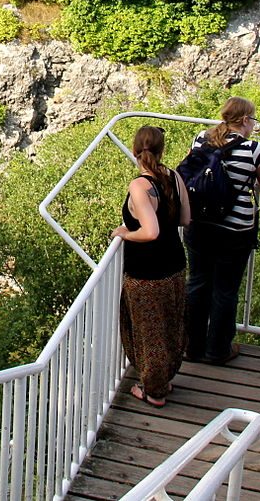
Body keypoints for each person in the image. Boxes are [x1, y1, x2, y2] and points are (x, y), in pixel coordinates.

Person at [183, 97, 260, 365]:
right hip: (235, 231)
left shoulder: (201, 139)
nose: (254, 125)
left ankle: (191, 347)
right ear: (245, 120)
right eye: (253, 120)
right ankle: (218, 349)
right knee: (225, 290)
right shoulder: (255, 149)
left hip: (198, 224)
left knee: (197, 284)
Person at [111, 125, 191, 407]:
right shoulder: (174, 177)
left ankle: (153, 391)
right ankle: (164, 380)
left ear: (135, 150)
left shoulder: (139, 185)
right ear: (161, 150)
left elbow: (150, 231)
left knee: (148, 332)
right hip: (175, 265)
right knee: (170, 327)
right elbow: (185, 219)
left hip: (146, 270)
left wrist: (125, 233)